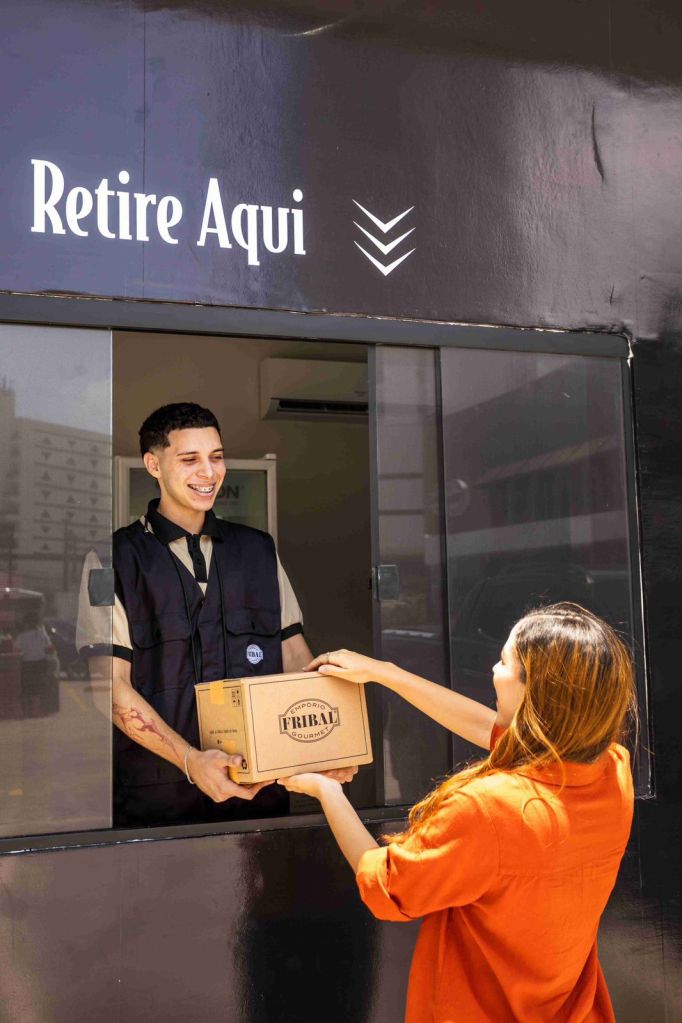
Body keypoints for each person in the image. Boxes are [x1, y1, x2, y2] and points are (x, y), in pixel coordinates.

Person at [280, 603, 636, 1023]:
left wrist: (327, 791)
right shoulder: (613, 770)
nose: (493, 669)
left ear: (534, 690)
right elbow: (492, 729)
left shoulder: (489, 808)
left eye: (504, 662)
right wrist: (385, 673)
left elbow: (388, 887)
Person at [77, 402, 354, 827]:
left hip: (260, 790)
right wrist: (191, 760)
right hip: (158, 800)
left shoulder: (259, 551)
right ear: (153, 464)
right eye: (190, 459)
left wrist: (324, 748)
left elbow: (295, 658)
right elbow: (109, 687)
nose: (208, 472)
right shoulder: (111, 560)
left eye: (216, 456)